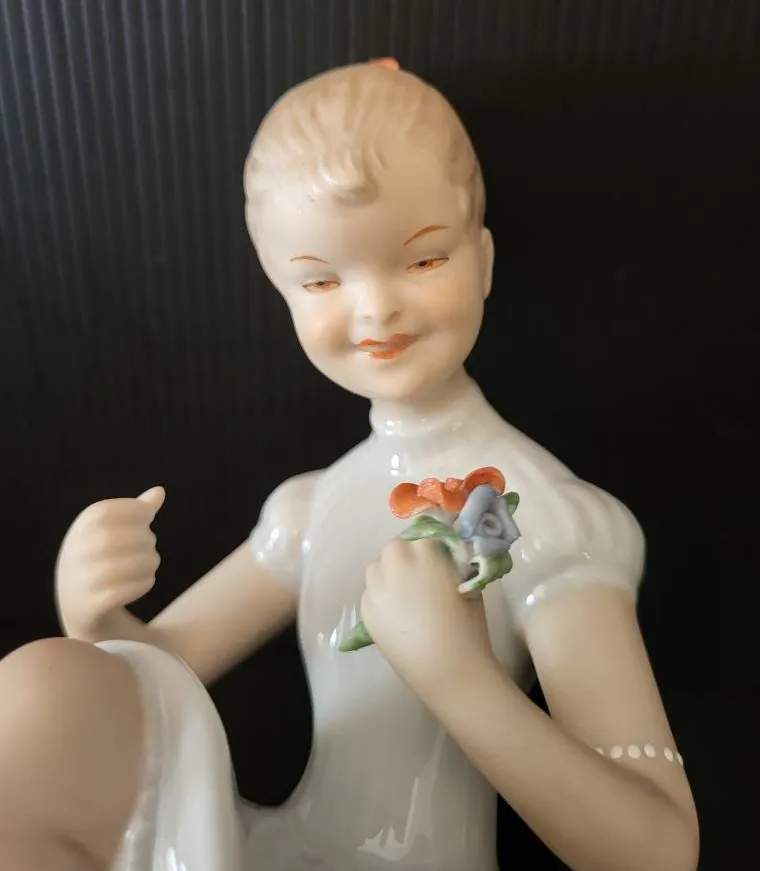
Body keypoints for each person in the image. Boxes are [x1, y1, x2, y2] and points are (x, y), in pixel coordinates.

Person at [0, 61, 698, 871]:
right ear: (284, 295)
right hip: (285, 848)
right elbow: (159, 668)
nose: (375, 308)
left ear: (483, 260)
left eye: (423, 260)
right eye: (322, 279)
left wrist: (459, 677)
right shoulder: (313, 507)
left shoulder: (543, 516)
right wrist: (95, 618)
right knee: (40, 692)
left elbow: (658, 849)